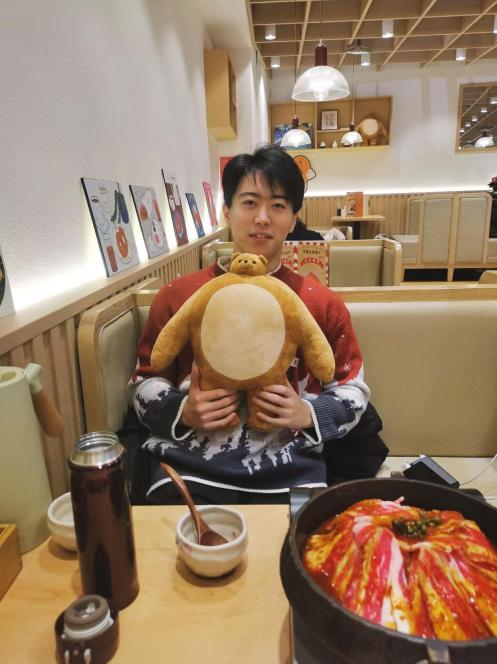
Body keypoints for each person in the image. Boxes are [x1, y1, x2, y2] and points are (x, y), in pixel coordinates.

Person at [128, 145, 375, 504]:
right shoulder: (178, 295)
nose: (262, 218)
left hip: (293, 473)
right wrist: (183, 412)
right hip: (186, 471)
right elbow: (143, 382)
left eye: (278, 205)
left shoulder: (321, 303)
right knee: (170, 537)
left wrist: (307, 413)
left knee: (300, 538)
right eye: (249, 202)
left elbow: (353, 389)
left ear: (293, 219)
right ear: (226, 211)